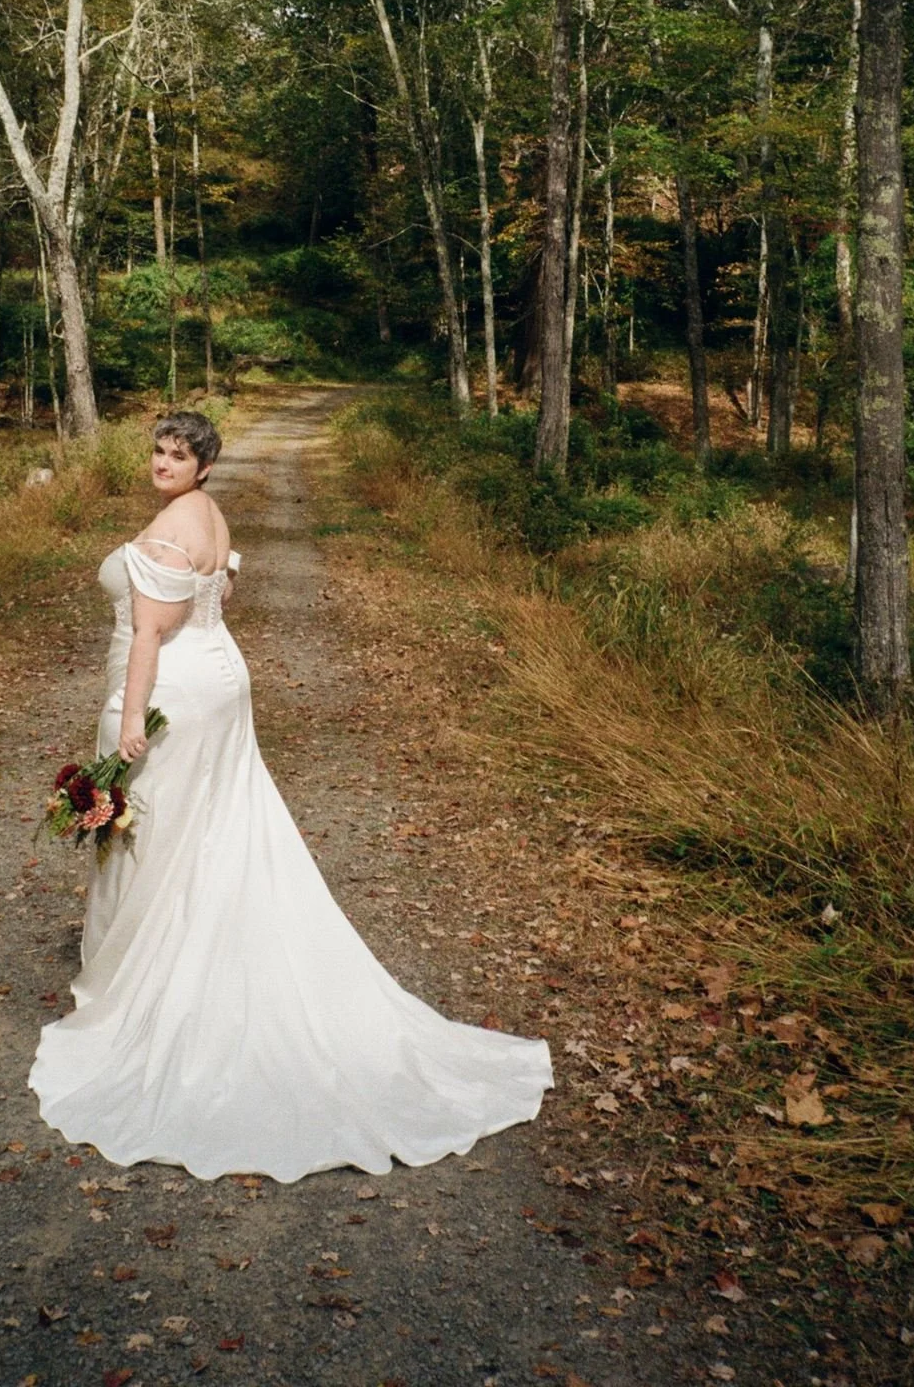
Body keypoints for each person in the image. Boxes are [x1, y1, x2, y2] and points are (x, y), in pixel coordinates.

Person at [29, 409, 552, 1181]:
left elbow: (148, 633)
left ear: (203, 465)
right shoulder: (206, 516)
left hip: (171, 689)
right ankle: (204, 943)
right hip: (221, 680)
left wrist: (133, 717)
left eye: (179, 456)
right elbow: (225, 585)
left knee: (160, 834)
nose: (163, 464)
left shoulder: (173, 528)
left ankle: (157, 981)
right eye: (159, 452)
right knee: (216, 825)